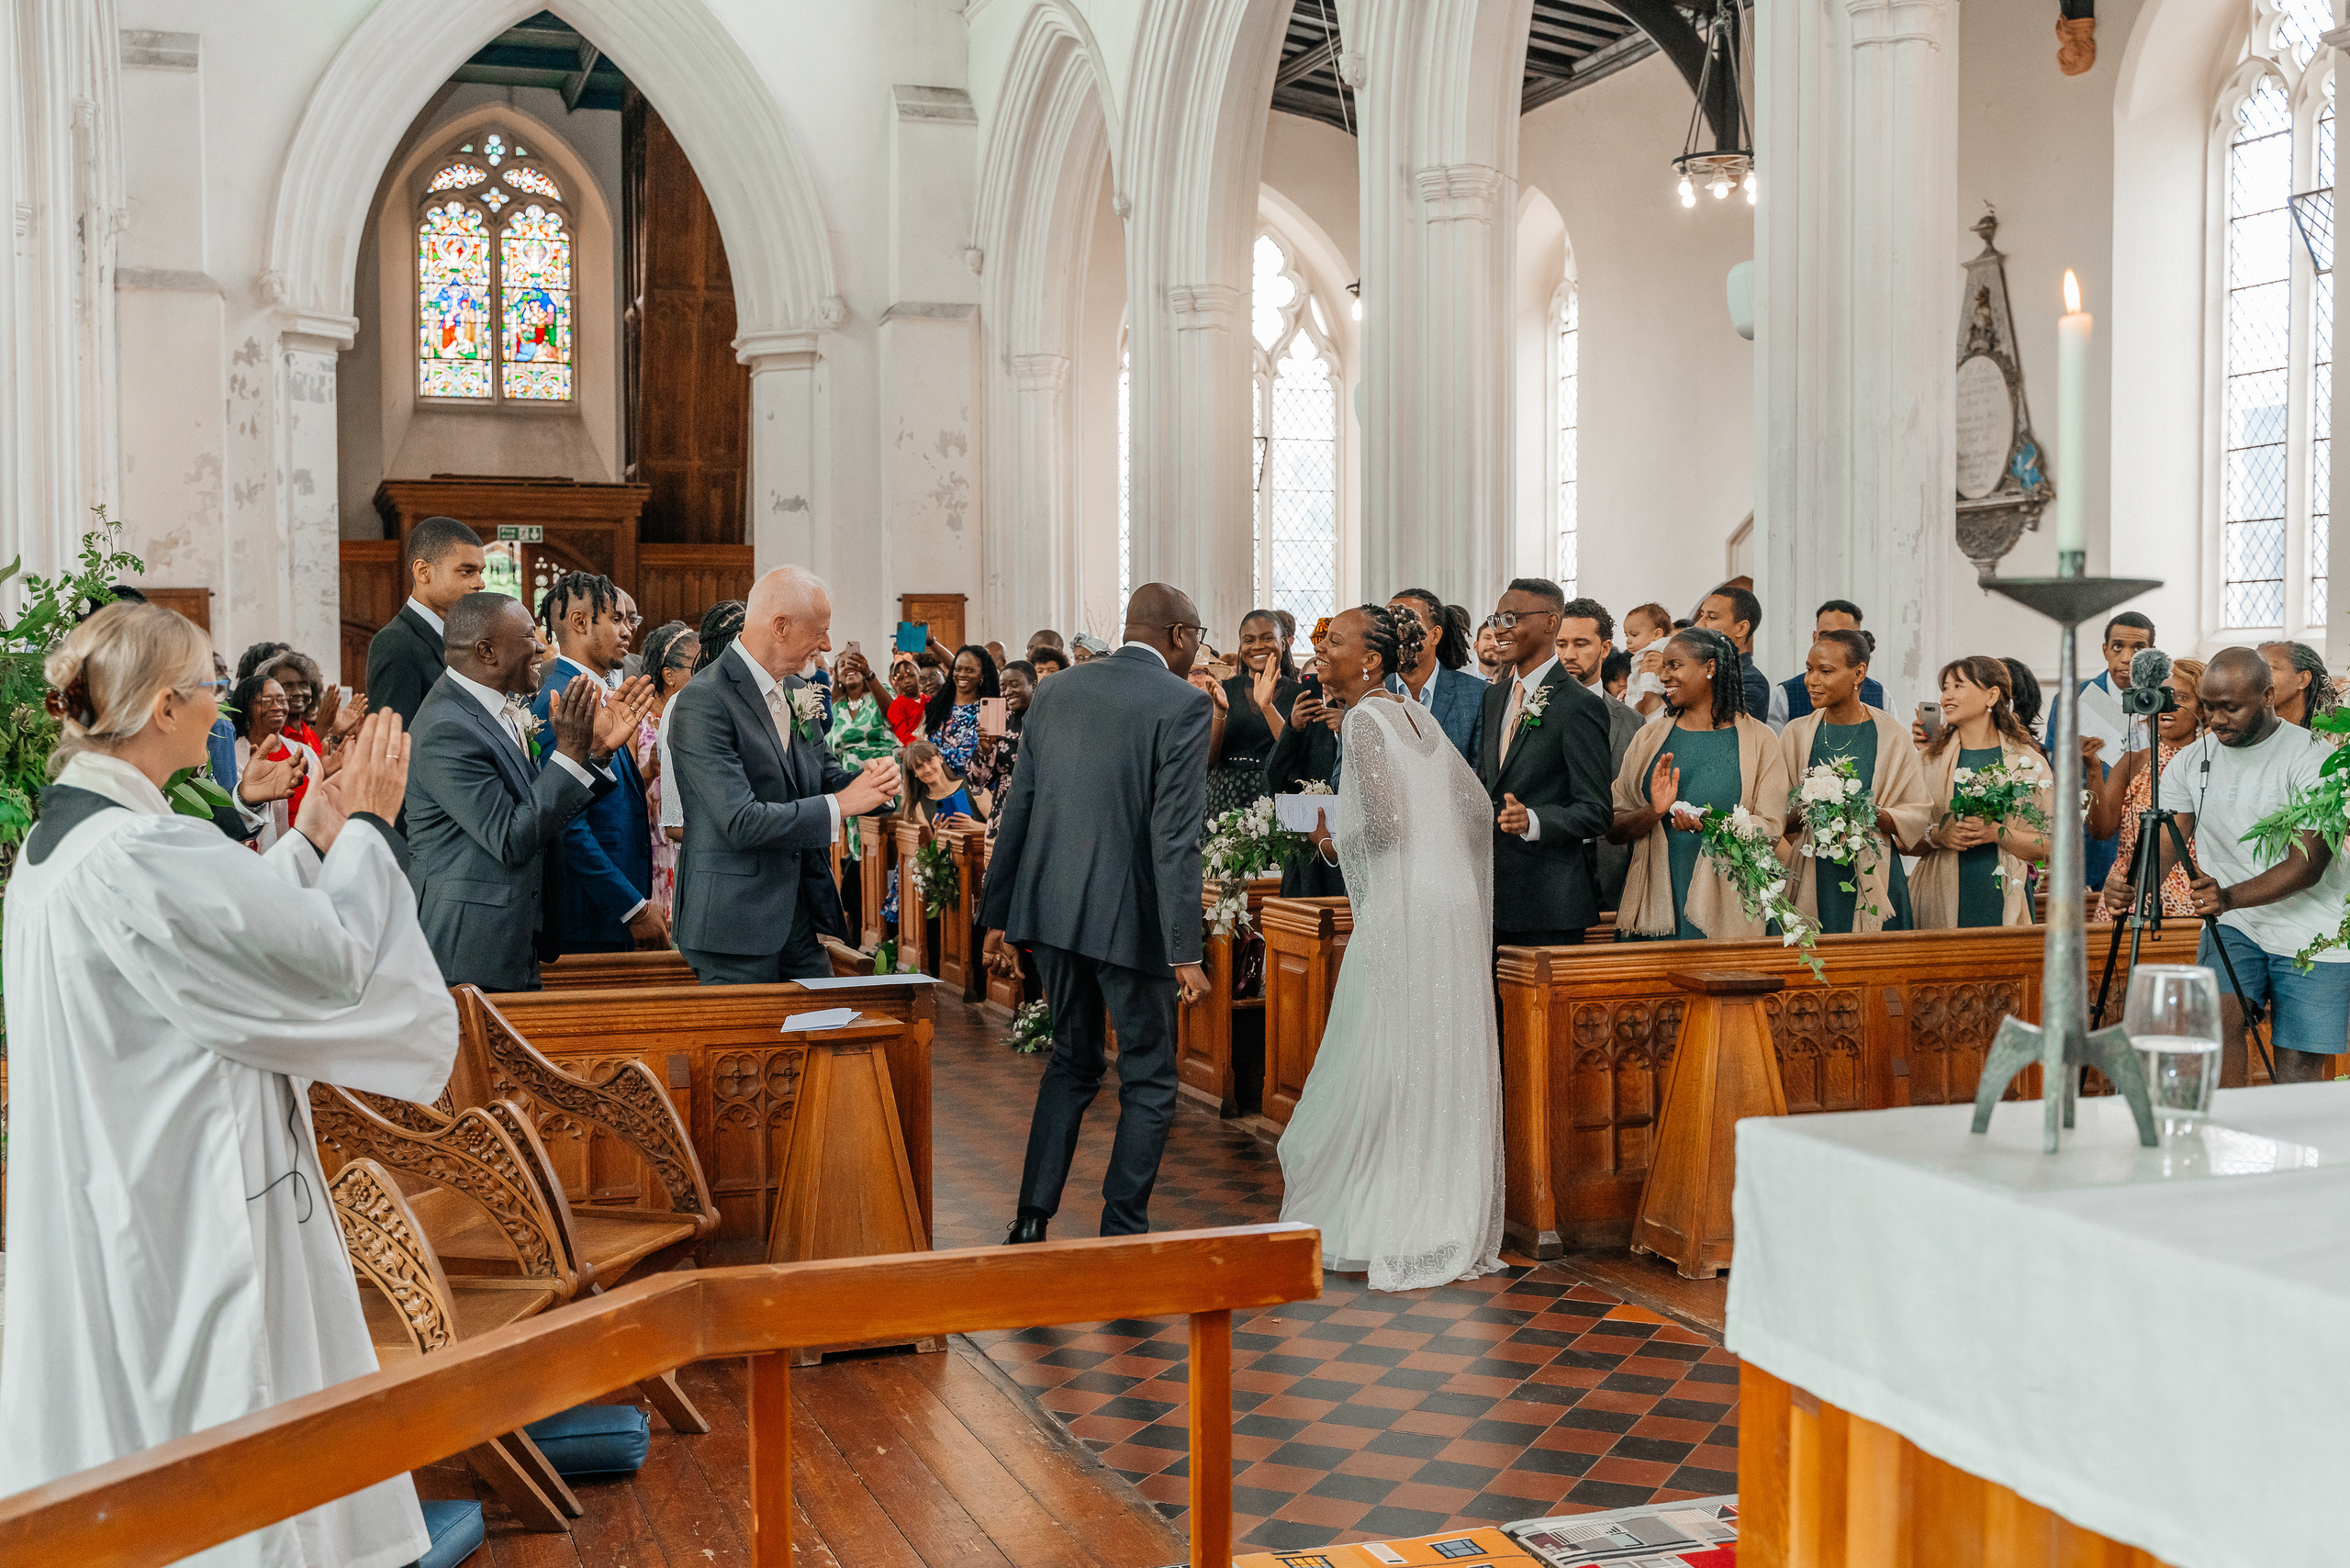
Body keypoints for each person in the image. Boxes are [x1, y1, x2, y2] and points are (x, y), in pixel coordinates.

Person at [2, 602, 455, 1568]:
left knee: (139, 1400)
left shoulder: (69, 846)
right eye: (211, 685)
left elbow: (220, 937)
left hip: (121, 1174)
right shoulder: (137, 852)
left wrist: (312, 837)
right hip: (183, 1190)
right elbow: (329, 962)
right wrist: (370, 824)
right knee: (216, 1404)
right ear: (166, 705)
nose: (224, 704)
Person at [1278, 604, 1503, 1292]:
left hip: (1408, 907)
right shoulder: (1416, 715)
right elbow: (1474, 811)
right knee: (1428, 1047)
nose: (1320, 652)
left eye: (1333, 642)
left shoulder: (1370, 720)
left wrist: (1322, 835)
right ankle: (1430, 1202)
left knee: (1380, 1047)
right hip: (1448, 903)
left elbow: (1383, 828)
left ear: (1371, 660)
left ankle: (1380, 1217)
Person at [981, 583, 1213, 1241]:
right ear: (1176, 636)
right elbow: (1175, 838)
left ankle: (1031, 1217)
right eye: (1197, 635)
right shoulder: (1185, 703)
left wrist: (999, 912)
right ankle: (1122, 1227)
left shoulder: (1058, 689)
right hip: (1128, 921)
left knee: (1072, 1061)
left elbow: (1019, 806)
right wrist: (1184, 949)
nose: (1198, 649)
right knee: (1149, 1078)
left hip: (1051, 912)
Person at [669, 567, 902, 983]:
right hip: (734, 921)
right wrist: (843, 804)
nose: (828, 644)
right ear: (780, 627)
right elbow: (740, 822)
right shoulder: (703, 701)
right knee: (747, 1047)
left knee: (821, 1033)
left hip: (797, 912)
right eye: (820, 631)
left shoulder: (797, 689)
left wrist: (873, 782)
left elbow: (822, 774)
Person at [406, 593, 647, 991]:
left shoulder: (499, 708)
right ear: (487, 651)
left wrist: (597, 751)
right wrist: (569, 752)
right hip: (470, 947)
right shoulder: (445, 729)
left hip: (514, 935)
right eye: (528, 638)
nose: (541, 646)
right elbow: (511, 838)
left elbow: (539, 809)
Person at [2150, 647, 2350, 1082]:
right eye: (2208, 707)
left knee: (2297, 1069)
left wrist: (2227, 896)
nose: (2216, 719)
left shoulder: (2314, 758)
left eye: (2230, 707)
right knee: (2214, 1031)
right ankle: (2227, 1140)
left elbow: (2309, 865)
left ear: (2268, 696)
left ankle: (2293, 1149)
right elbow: (2168, 842)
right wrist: (2131, 881)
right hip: (2236, 926)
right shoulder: (2189, 763)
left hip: (2313, 928)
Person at [1608, 627, 1791, 939]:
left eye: (1674, 665)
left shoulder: (1760, 740)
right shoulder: (1649, 737)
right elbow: (1613, 828)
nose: (1663, 675)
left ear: (1710, 667)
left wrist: (1708, 824)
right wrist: (1654, 811)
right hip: (1659, 897)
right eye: (1663, 666)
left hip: (1733, 900)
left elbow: (1772, 827)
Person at [529, 572, 666, 957]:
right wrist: (630, 907)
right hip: (590, 914)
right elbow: (565, 823)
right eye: (617, 619)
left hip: (611, 907)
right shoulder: (560, 699)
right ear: (579, 622)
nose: (628, 631)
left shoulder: (599, 692)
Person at [1478, 578, 1614, 947]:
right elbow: (1485, 781)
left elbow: (1597, 811)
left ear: (1550, 623)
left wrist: (1533, 819)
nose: (1498, 629)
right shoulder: (1494, 698)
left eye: (1510, 618)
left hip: (1549, 903)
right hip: (1489, 896)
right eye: (1495, 618)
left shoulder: (1579, 705)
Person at [1775, 630, 1932, 934]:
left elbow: (1916, 814)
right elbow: (1781, 816)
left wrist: (1861, 811)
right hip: (1812, 874)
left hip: (1879, 875)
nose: (1811, 680)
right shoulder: (1795, 734)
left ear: (1859, 672)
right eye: (1809, 669)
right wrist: (1811, 806)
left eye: (1826, 671)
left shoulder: (1892, 735)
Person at [1909, 655, 2053, 929]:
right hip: (1937, 891)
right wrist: (1939, 835)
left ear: (1992, 695)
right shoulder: (1928, 760)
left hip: (2001, 894)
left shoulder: (2027, 762)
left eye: (1958, 686)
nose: (1945, 697)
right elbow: (1904, 840)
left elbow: (2048, 845)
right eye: (1945, 688)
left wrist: (1997, 833)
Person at [2094, 657, 2206, 922]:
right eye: (2162, 696)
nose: (2169, 705)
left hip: (2192, 897)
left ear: (2201, 707)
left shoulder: (2210, 762)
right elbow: (2101, 830)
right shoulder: (2133, 762)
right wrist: (2092, 769)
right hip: (2128, 893)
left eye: (2181, 697)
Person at [1555, 597, 1644, 911]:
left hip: (1612, 863)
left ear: (1605, 648)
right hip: (1553, 861)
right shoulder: (1530, 709)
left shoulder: (1632, 721)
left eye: (1581, 644)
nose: (1569, 654)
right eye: (1561, 643)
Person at [367, 515, 487, 726]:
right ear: (423, 571)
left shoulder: (462, 637)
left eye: (480, 572)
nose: (480, 583)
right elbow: (397, 738)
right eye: (466, 572)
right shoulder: (396, 643)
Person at [2078, 610, 2156, 891]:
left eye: (2138, 648)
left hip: (2157, 846)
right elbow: (2059, 779)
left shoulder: (2166, 701)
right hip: (2095, 845)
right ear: (2105, 650)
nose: (2126, 658)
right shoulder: (2077, 698)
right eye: (2117, 647)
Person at [1202, 609, 1300, 818]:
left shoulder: (1299, 695)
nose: (1257, 646)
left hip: (1276, 796)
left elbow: (1296, 758)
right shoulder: (1224, 690)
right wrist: (1219, 711)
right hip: (1225, 797)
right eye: (1249, 640)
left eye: (1267, 638)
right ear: (1241, 647)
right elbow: (1208, 762)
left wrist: (1267, 707)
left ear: (1283, 643)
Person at [641, 620, 700, 920]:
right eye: (697, 667)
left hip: (689, 839)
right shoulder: (636, 721)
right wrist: (650, 771)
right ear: (669, 675)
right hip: (650, 842)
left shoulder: (699, 719)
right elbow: (620, 789)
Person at [1266, 673, 1345, 898]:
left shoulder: (1374, 717)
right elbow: (1275, 780)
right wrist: (1292, 728)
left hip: (1357, 860)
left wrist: (1349, 725)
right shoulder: (1312, 720)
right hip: (1312, 865)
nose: (1325, 678)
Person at [1386, 588, 1483, 763]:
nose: (1397, 635)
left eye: (1407, 625)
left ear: (1435, 635)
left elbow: (1481, 773)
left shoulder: (1477, 695)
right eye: (1389, 626)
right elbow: (1344, 774)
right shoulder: (1369, 691)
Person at [229, 672, 319, 851]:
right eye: (266, 701)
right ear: (246, 709)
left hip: (305, 853)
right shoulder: (233, 756)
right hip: (257, 855)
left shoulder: (302, 752)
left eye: (281, 700)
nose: (277, 707)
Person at [1777, 600, 1886, 723]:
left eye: (1843, 637)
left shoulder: (1881, 696)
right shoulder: (1784, 695)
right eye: (1825, 635)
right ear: (1814, 637)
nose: (1831, 644)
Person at [1694, 583, 1773, 724]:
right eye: (1701, 615)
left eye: (1712, 617)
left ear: (1741, 628)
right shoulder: (1696, 669)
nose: (1698, 625)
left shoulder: (1752, 681)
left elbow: (1723, 727)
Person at [969, 658, 1035, 823]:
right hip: (1005, 811)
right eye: (1003, 687)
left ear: (1033, 685)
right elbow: (976, 783)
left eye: (1014, 684)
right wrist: (985, 750)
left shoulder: (1050, 721)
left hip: (1039, 809)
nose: (1007, 691)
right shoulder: (1000, 723)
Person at [923, 642, 1001, 775]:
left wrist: (986, 750)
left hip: (972, 787)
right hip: (936, 783)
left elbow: (992, 758)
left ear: (982, 675)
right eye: (958, 669)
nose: (962, 674)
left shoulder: (989, 710)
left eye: (969, 670)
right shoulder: (938, 706)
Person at [2260, 640, 2337, 729]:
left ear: (2303, 679)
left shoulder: (2334, 737)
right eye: (2254, 669)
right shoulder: (2247, 737)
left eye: (2272, 668)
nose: (2257, 675)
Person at [1622, 601, 1673, 717]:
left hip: (1656, 711)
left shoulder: (1657, 651)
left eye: (1634, 635)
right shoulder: (1644, 654)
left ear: (1657, 634)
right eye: (1627, 635)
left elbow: (1648, 691)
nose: (1628, 641)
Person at [1472, 613, 1506, 681]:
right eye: (1487, 638)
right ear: (1476, 646)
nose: (1493, 644)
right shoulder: (1464, 681)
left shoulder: (1512, 686)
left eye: (1498, 639)